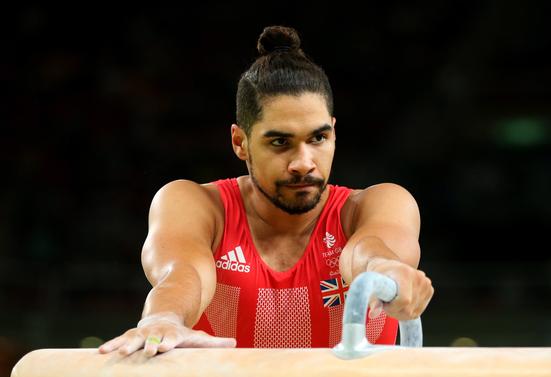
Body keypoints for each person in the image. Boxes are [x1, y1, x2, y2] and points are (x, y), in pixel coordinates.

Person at [99, 25, 434, 357]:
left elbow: (366, 253)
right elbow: (181, 273)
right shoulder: (196, 206)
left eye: (318, 138)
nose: (303, 163)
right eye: (280, 142)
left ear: (333, 133)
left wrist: (386, 272)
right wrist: (164, 317)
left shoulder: (378, 204)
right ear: (240, 142)